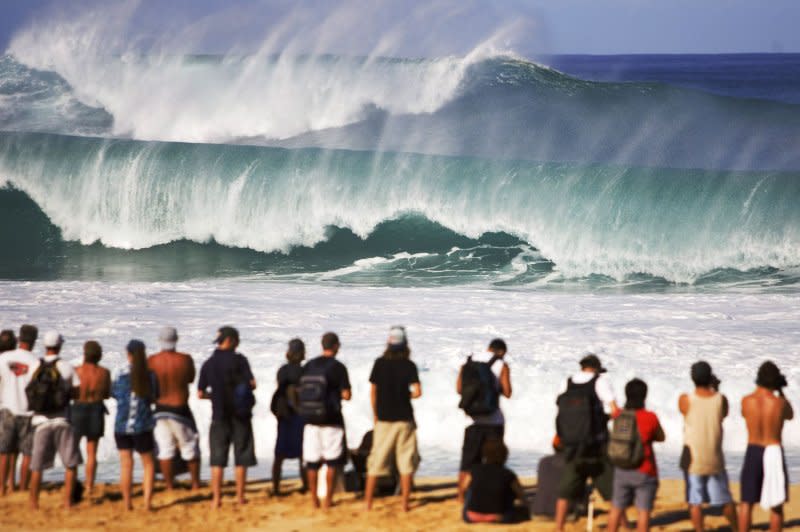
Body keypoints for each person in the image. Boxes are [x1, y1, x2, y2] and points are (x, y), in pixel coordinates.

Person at [554, 354, 621, 532]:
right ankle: (620, 527)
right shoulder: (600, 381)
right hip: (596, 447)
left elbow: (561, 411)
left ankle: (559, 527)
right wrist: (607, 420)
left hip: (572, 446)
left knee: (564, 492)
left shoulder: (567, 382)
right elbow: (615, 411)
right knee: (612, 493)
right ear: (597, 368)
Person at [198, 326, 256, 508]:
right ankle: (240, 497)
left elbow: (200, 393)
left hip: (219, 415)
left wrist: (214, 396)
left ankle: (216, 499)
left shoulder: (209, 363)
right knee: (241, 457)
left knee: (218, 459)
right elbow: (253, 384)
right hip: (240, 415)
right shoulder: (240, 361)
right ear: (231, 341)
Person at [365, 326, 422, 512]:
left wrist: (375, 414)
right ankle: (404, 504)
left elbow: (373, 392)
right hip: (404, 418)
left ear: (388, 343)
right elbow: (418, 392)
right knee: (406, 462)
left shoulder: (379, 363)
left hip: (384, 418)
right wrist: (405, 396)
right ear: (405, 344)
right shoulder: (409, 365)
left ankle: (368, 504)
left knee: (376, 461)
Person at [678, 361, 737, 531]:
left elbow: (684, 411)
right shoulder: (721, 400)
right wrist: (716, 389)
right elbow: (723, 413)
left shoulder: (685, 400)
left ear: (692, 378)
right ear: (710, 377)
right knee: (725, 500)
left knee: (695, 502)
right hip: (715, 459)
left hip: (693, 459)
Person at [28, 332, 82, 510]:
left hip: (40, 421)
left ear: (45, 345)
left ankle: (34, 502)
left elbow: (28, 390)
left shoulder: (35, 365)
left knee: (37, 466)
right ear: (60, 346)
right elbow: (77, 393)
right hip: (62, 420)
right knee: (70, 463)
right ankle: (67, 502)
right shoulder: (66, 366)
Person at [739, 361, 794, 532]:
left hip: (753, 450)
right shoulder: (779, 403)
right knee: (776, 504)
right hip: (773, 450)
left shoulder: (747, 401)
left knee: (746, 502)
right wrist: (781, 391)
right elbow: (790, 415)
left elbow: (744, 414)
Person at [456, 338, 512, 502]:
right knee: (494, 460)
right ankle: (493, 495)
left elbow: (459, 389)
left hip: (472, 421)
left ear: (488, 348)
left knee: (468, 461)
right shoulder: (501, 364)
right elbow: (508, 392)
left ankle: (461, 496)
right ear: (501, 352)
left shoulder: (468, 361)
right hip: (494, 421)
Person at [300, 332, 351, 509]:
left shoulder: (309, 365)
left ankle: (314, 499)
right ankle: (328, 499)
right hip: (331, 419)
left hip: (310, 420)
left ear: (322, 345)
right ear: (336, 346)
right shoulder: (338, 367)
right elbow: (346, 394)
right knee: (332, 461)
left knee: (312, 462)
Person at [607, 378, 665, 532]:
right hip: (645, 470)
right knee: (643, 512)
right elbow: (661, 437)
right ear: (644, 396)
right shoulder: (650, 417)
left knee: (616, 509)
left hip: (621, 469)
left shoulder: (619, 415)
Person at [148, 327, 200, 491]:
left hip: (160, 409)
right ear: (176, 339)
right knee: (190, 447)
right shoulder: (185, 359)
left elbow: (148, 384)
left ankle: (169, 486)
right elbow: (190, 379)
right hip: (180, 409)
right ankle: (195, 484)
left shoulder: (152, 360)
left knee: (165, 450)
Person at [111, 340, 158, 511]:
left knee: (126, 464)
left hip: (121, 425)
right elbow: (155, 397)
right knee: (148, 464)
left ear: (128, 354)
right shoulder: (150, 375)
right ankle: (146, 504)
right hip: (142, 424)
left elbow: (114, 393)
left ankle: (127, 503)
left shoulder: (119, 373)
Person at [0, 324, 39, 495]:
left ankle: (3, 487)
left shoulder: (5, 358)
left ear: (19, 339)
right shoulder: (36, 362)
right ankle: (21, 488)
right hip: (28, 411)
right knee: (26, 453)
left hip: (7, 408)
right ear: (34, 341)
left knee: (5, 451)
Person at [73, 340, 111, 496]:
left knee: (73, 450)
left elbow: (71, 392)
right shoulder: (104, 373)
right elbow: (107, 394)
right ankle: (89, 486)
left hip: (78, 408)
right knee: (92, 452)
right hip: (96, 408)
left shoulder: (76, 371)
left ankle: (72, 482)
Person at [462, 437, 528, 524]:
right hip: (499, 517)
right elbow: (522, 497)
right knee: (522, 510)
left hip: (471, 517)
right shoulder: (508, 474)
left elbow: (463, 489)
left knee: (471, 491)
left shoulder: (474, 470)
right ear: (505, 456)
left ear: (484, 454)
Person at [271, 338, 306, 496]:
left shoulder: (282, 370)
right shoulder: (304, 371)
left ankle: (276, 488)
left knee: (279, 455)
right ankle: (305, 485)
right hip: (300, 414)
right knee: (303, 454)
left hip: (284, 415)